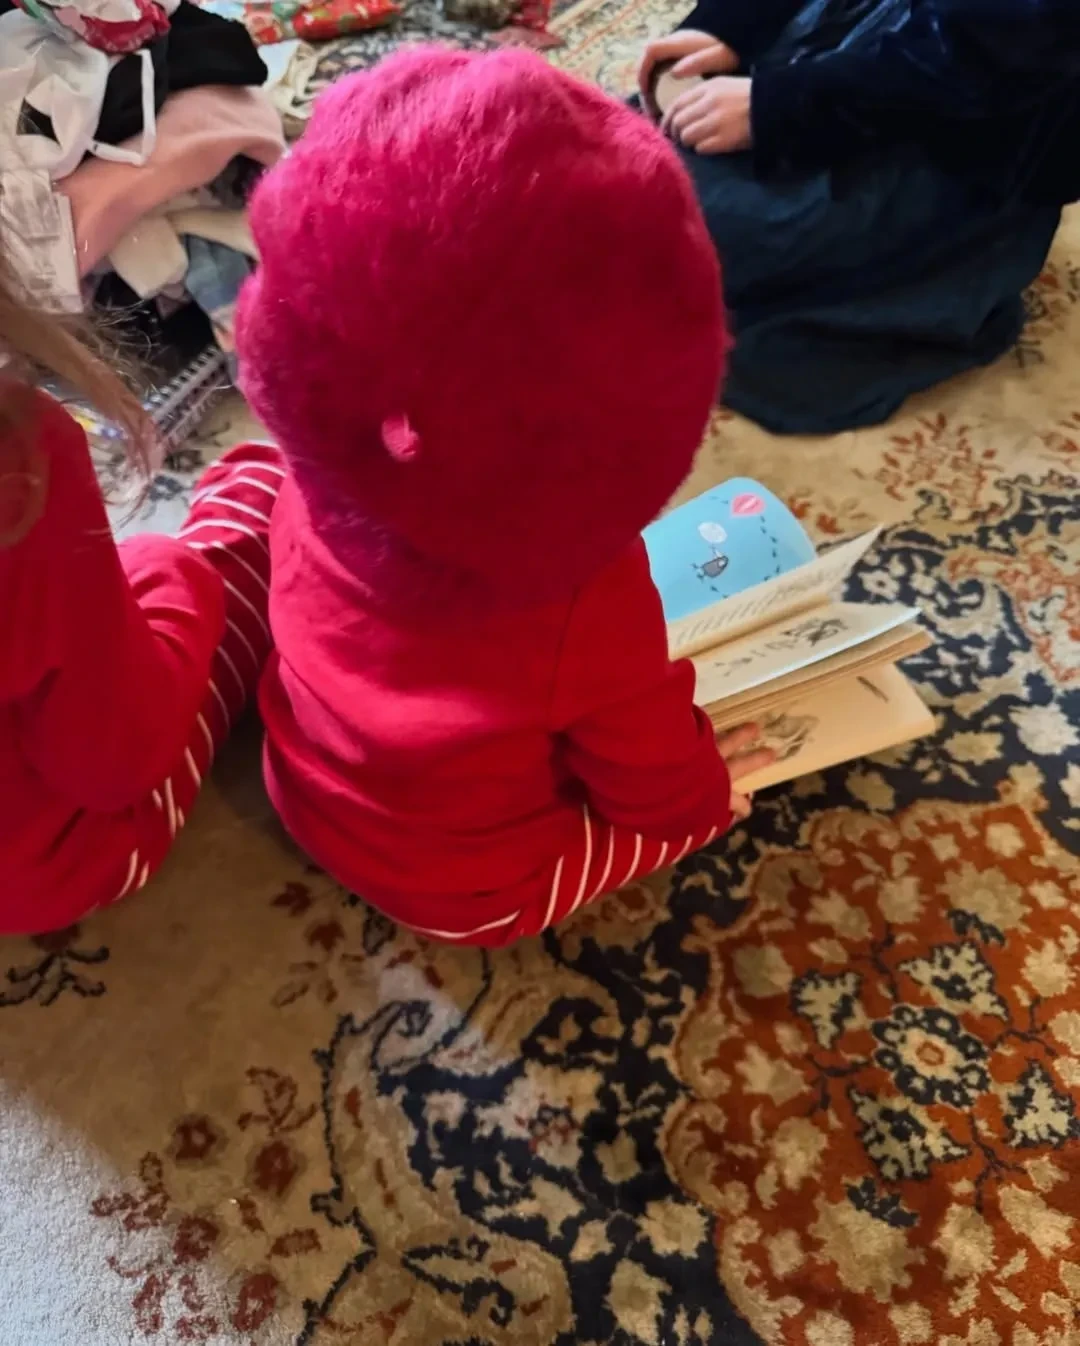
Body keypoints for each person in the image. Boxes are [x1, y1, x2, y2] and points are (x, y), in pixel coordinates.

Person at [235, 46, 773, 948]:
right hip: (466, 892)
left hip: (300, 786)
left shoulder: (318, 475)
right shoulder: (582, 602)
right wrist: (703, 803)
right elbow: (648, 773)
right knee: (684, 815)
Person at [0, 258, 285, 935]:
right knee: (255, 510)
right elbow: (118, 760)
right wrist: (179, 577)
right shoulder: (20, 463)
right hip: (52, 865)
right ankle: (255, 493)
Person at [638, 0, 1080, 434]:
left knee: (661, 218)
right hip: (874, 50)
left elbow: (988, 59)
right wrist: (730, 25)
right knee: (633, 170)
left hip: (959, 136)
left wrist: (778, 106)